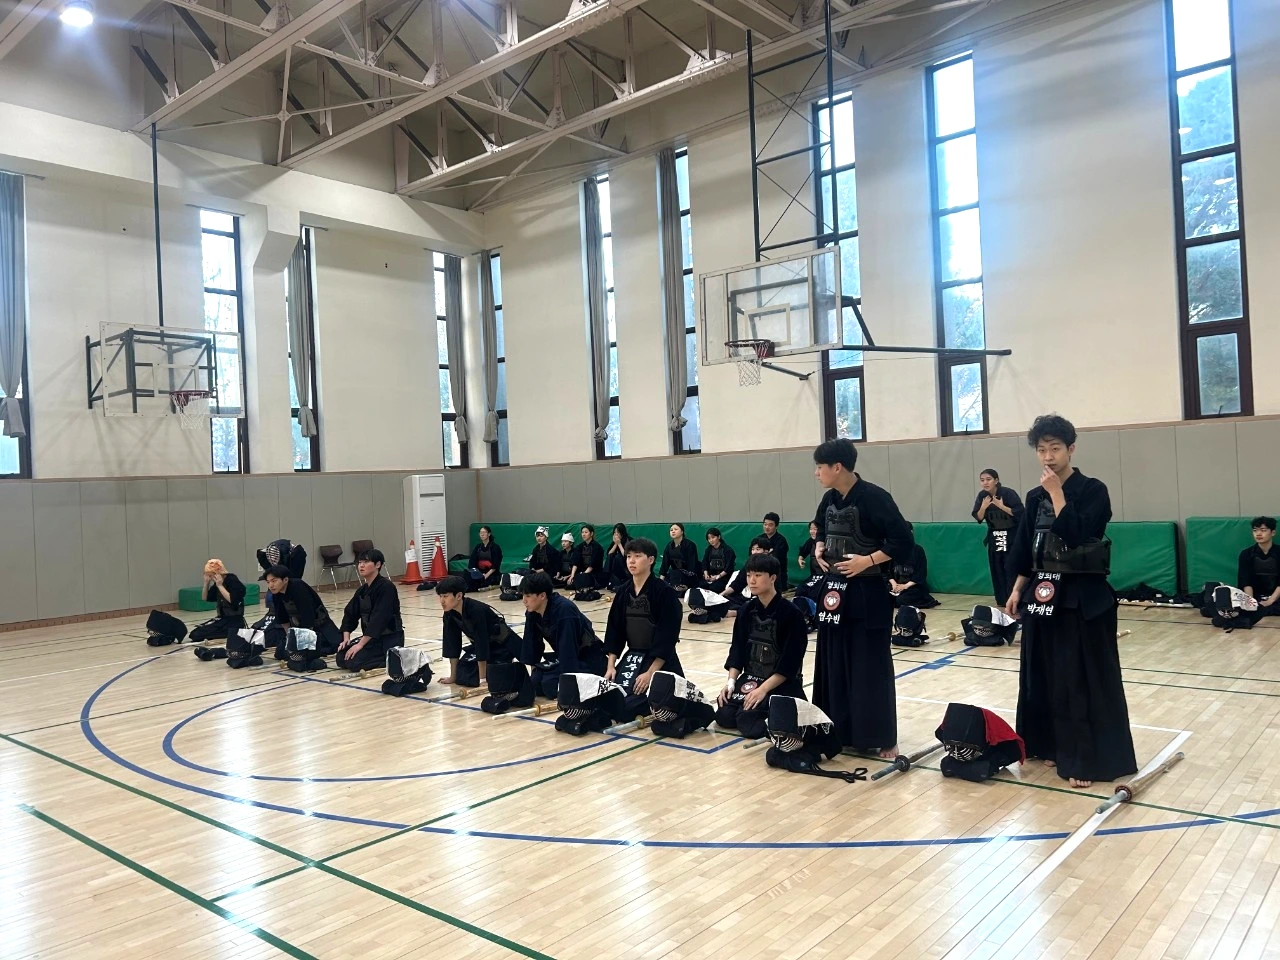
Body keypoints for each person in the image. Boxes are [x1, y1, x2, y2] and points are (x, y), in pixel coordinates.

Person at [1005, 413, 1137, 789]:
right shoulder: (1033, 498)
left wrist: (1057, 494)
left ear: (1071, 449)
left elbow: (1079, 534)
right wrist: (1017, 589)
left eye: (1055, 448)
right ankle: (1050, 745)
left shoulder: (1094, 490)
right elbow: (1027, 550)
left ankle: (1086, 758)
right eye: (1041, 450)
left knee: (1080, 677)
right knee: (1043, 674)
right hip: (1042, 595)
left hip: (1083, 597)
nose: (1048, 457)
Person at [810, 438, 914, 758]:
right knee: (834, 663)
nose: (816, 473)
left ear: (837, 467)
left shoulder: (874, 497)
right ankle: (839, 731)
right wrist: (819, 544)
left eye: (820, 467)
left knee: (870, 667)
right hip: (835, 593)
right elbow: (820, 526)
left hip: (868, 594)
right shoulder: (829, 498)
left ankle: (883, 736)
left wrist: (866, 561)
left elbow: (903, 541)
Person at [714, 553, 809, 739]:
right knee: (724, 715)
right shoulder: (746, 610)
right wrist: (731, 683)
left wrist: (763, 690)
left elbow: (790, 662)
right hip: (752, 677)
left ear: (773, 578)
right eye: (749, 575)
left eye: (758, 575)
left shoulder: (792, 614)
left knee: (748, 722)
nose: (752, 580)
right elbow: (737, 649)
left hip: (781, 683)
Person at [604, 537, 685, 718]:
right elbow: (614, 631)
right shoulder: (623, 591)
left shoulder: (664, 592)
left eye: (637, 556)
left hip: (660, 660)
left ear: (651, 560)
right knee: (612, 702)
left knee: (630, 707)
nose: (631, 561)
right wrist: (611, 667)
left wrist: (650, 673)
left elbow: (668, 636)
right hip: (633, 656)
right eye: (629, 556)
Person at [518, 571, 607, 698]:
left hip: (588, 658)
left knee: (549, 685)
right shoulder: (532, 612)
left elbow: (568, 649)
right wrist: (534, 672)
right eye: (523, 595)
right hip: (565, 656)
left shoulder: (565, 611)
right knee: (536, 682)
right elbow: (531, 642)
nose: (524, 600)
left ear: (542, 596)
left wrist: (568, 686)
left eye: (527, 596)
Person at [436, 575, 517, 687]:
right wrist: (453, 676)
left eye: (445, 596)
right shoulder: (449, 613)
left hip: (503, 645)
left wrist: (482, 680)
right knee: (462, 675)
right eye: (440, 596)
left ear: (459, 596)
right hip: (484, 648)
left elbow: (481, 643)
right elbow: (452, 644)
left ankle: (505, 665)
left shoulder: (477, 611)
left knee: (488, 676)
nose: (442, 601)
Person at [336, 548, 403, 672]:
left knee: (354, 662)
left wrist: (360, 644)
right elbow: (350, 613)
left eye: (366, 562)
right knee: (341, 657)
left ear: (378, 565)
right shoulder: (362, 590)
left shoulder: (386, 587)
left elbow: (379, 619)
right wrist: (346, 639)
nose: (361, 566)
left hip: (388, 639)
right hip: (371, 639)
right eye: (359, 562)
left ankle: (388, 658)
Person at [263, 564, 341, 669]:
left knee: (335, 646)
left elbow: (308, 614)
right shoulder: (276, 594)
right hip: (297, 628)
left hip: (319, 626)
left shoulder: (298, 587)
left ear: (285, 580)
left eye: (274, 581)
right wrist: (290, 639)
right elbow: (282, 618)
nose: (271, 585)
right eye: (268, 582)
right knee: (280, 653)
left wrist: (304, 641)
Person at [972, 468, 1025, 607]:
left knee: (1010, 567)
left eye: (988, 479)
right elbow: (978, 517)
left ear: (996, 480)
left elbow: (1020, 513)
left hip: (1011, 535)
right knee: (997, 567)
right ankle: (1002, 599)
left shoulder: (1008, 493)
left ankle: (1015, 597)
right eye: (982, 480)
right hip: (995, 536)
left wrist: (1001, 506)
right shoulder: (982, 496)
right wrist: (983, 507)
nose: (985, 483)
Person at [687, 536, 770, 623]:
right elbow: (737, 584)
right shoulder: (748, 565)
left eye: (758, 549)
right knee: (699, 594)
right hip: (742, 599)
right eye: (753, 549)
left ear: (766, 551)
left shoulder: (771, 566)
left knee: (752, 606)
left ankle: (733, 612)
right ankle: (711, 615)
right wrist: (720, 596)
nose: (754, 552)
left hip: (758, 600)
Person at [189, 559, 247, 644]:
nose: (211, 578)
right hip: (222, 619)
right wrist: (206, 583)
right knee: (195, 633)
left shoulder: (232, 581)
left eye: (211, 575)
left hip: (234, 620)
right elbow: (205, 598)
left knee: (197, 635)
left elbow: (233, 601)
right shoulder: (217, 583)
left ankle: (229, 633)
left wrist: (220, 586)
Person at [1238, 516, 1280, 617]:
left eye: (1263, 530)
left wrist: (1270, 601)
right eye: (1255, 530)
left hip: (1277, 597)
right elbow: (1245, 581)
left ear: (1273, 532)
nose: (1258, 533)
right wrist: (1251, 602)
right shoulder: (1246, 554)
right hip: (1256, 596)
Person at [888, 532, 939, 609]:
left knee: (901, 601)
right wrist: (894, 584)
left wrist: (905, 586)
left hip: (913, 587)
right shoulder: (892, 550)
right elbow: (886, 571)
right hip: (895, 586)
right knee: (884, 598)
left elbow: (921, 574)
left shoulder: (918, 550)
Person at [659, 522, 700, 593]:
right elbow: (664, 565)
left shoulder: (690, 545)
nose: (673, 531)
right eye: (671, 530)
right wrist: (660, 582)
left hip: (689, 575)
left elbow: (692, 565)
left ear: (682, 532)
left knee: (675, 576)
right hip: (675, 575)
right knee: (666, 582)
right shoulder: (669, 546)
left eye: (676, 529)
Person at [569, 523, 606, 591]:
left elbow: (593, 564)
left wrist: (584, 575)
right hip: (582, 571)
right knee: (570, 584)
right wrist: (572, 575)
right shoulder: (579, 547)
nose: (583, 534)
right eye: (582, 532)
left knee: (584, 583)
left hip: (594, 573)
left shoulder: (597, 547)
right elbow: (575, 562)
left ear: (591, 534)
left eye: (586, 532)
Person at [700, 527, 737, 594]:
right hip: (711, 577)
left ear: (719, 537)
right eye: (709, 538)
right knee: (701, 585)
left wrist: (718, 576)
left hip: (723, 578)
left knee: (714, 588)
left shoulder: (727, 550)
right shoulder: (708, 550)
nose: (711, 540)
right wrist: (706, 574)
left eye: (713, 537)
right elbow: (704, 563)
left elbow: (729, 568)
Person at [466, 525, 503, 591]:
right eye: (480, 533)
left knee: (487, 581)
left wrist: (485, 576)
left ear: (489, 534)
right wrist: (477, 574)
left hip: (491, 573)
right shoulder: (478, 547)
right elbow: (472, 562)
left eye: (484, 532)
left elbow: (495, 566)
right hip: (479, 572)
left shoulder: (495, 547)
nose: (482, 534)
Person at [761, 512, 790, 592]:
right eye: (765, 524)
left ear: (776, 526)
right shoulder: (759, 539)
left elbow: (775, 559)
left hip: (777, 577)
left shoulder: (781, 541)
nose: (767, 527)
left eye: (770, 525)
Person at [604, 523, 630, 590]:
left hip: (625, 563)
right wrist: (615, 544)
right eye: (614, 532)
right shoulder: (615, 541)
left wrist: (619, 544)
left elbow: (627, 556)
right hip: (616, 564)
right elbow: (609, 553)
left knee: (618, 556)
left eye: (618, 532)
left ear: (622, 532)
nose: (616, 534)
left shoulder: (629, 540)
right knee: (611, 556)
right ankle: (607, 578)